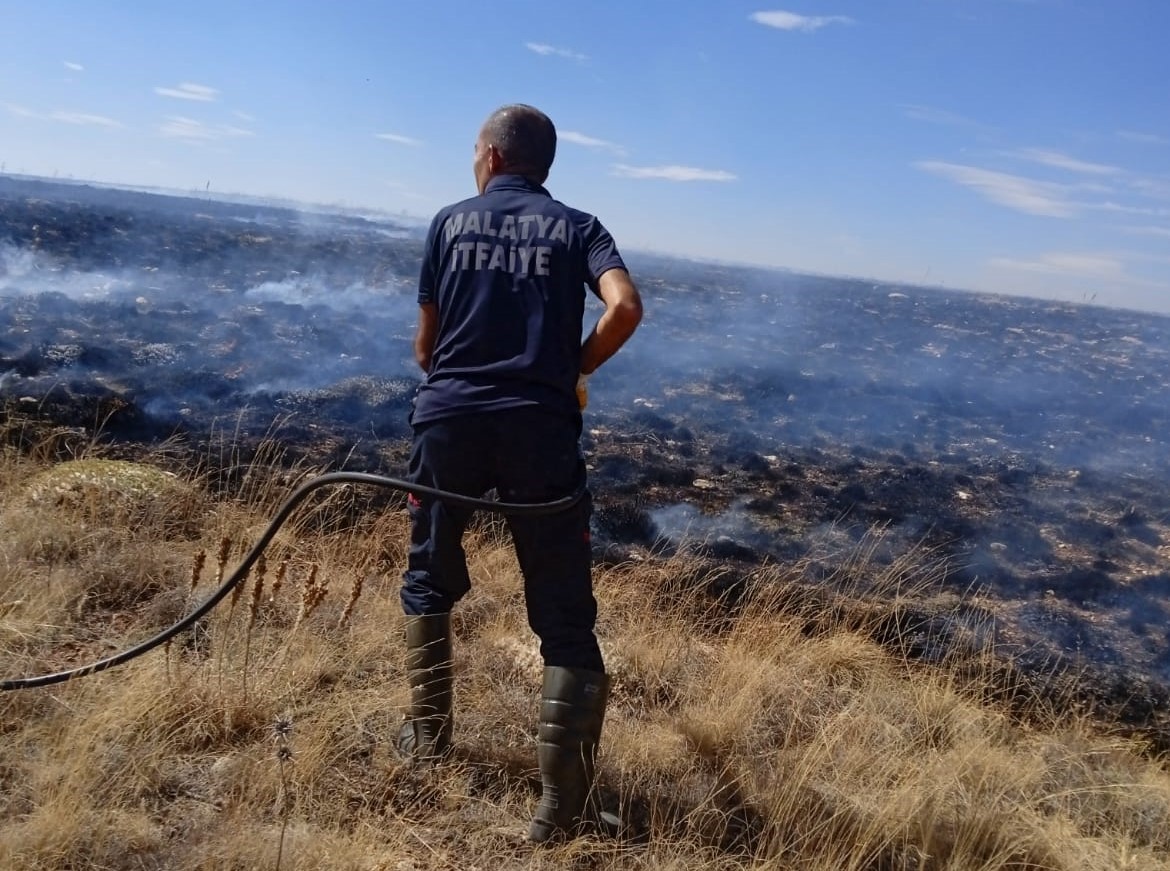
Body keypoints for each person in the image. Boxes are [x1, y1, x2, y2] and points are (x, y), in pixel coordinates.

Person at [397, 104, 643, 842]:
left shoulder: (449, 222)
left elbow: (424, 349)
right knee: (564, 615)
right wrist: (574, 363)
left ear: (495, 158)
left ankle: (428, 739)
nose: (473, 161)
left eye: (474, 149)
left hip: (448, 426)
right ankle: (557, 807)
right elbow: (625, 306)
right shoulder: (580, 227)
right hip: (540, 432)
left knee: (427, 577)